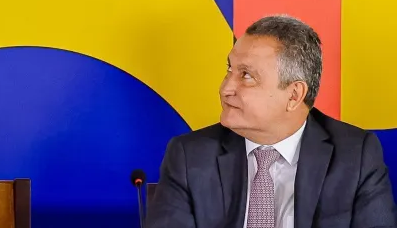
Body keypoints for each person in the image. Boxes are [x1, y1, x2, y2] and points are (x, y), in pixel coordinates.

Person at [147, 15, 397, 228]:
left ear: (294, 95)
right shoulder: (190, 156)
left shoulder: (355, 156)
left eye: (246, 76)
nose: (225, 89)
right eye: (229, 70)